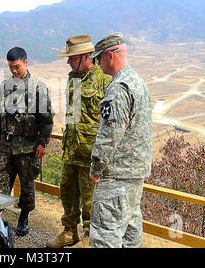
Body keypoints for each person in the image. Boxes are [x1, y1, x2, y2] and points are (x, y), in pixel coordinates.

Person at [46, 35, 111, 248]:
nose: (68, 62)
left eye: (72, 58)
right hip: (72, 150)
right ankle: (69, 232)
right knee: (67, 193)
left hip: (91, 155)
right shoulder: (73, 78)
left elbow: (110, 121)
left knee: (90, 202)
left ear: (86, 56)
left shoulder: (104, 78)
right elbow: (73, 116)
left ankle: (89, 239)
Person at [88, 32, 152, 248]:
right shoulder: (137, 81)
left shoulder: (118, 88)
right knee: (130, 230)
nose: (97, 64)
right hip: (135, 173)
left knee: (105, 235)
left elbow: (109, 134)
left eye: (98, 59)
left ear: (109, 56)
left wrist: (96, 167)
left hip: (115, 175)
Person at [0, 46, 54, 236]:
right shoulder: (5, 86)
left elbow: (46, 118)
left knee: (27, 185)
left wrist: (43, 142)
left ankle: (24, 217)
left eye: (17, 66)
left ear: (26, 62)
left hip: (28, 146)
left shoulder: (38, 87)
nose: (14, 71)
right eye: (10, 67)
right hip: (7, 145)